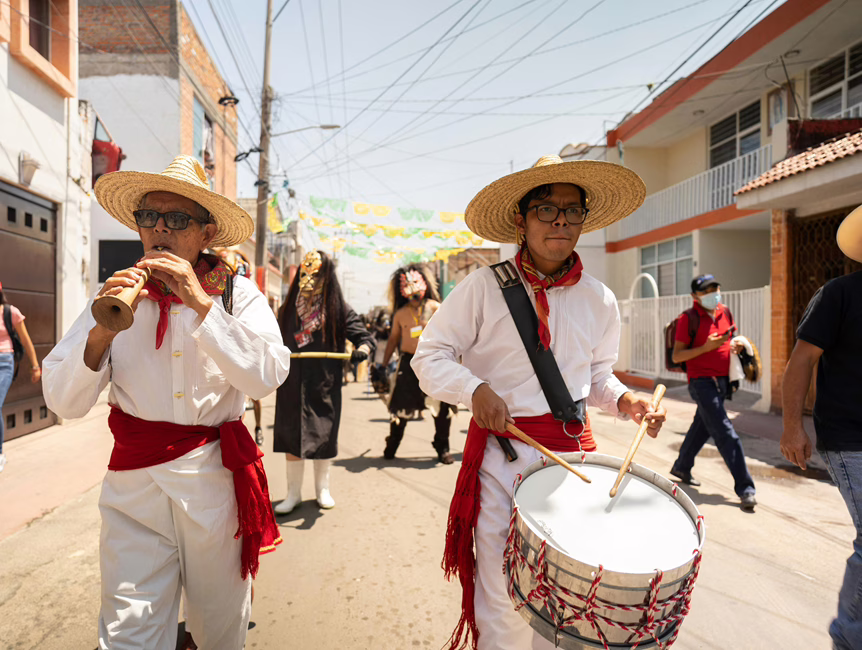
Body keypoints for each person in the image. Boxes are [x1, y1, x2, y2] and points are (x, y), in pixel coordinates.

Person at [411, 155, 666, 650]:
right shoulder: (482, 288)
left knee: (565, 602)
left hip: (572, 462)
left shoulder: (600, 299)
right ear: (520, 220)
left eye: (572, 212)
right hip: (502, 461)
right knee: (505, 600)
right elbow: (429, 357)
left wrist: (625, 400)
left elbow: (595, 376)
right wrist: (474, 390)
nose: (560, 222)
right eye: (546, 210)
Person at [42, 155, 291, 650]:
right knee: (127, 628)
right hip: (134, 487)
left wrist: (200, 302)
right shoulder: (111, 293)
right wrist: (99, 334)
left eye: (177, 220)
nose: (160, 229)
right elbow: (63, 402)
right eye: (148, 218)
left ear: (206, 232)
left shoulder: (237, 296)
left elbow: (267, 376)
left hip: (214, 484)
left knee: (219, 624)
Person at [781, 204, 862, 650]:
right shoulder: (839, 294)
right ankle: (849, 639)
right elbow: (801, 362)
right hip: (850, 439)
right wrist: (793, 427)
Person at [272, 250, 374, 513]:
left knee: (324, 434)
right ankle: (293, 493)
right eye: (306, 274)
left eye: (316, 276)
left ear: (326, 277)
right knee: (291, 433)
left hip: (324, 381)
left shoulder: (337, 308)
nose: (310, 281)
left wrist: (362, 349)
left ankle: (322, 490)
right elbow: (269, 337)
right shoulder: (287, 309)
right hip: (291, 380)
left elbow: (363, 336)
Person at [669, 274, 757, 512]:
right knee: (724, 431)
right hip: (700, 382)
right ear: (694, 296)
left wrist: (736, 344)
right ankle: (746, 488)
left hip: (722, 380)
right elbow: (677, 356)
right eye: (705, 290)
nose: (711, 293)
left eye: (714, 288)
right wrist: (705, 347)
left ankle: (681, 466)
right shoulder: (688, 319)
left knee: (703, 424)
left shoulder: (725, 312)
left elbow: (731, 338)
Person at [380, 264, 455, 464]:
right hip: (408, 363)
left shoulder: (436, 308)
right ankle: (392, 444)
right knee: (400, 409)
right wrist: (382, 364)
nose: (414, 296)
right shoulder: (400, 314)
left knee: (440, 408)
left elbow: (451, 336)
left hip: (435, 363)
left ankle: (443, 447)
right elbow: (393, 340)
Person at [213, 246, 265, 447]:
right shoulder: (219, 258)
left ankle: (258, 427)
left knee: (253, 392)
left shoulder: (243, 282)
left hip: (242, 331)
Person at [0, 281, 42, 471]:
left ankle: (0, 453)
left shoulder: (10, 312)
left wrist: (35, 366)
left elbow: (26, 340)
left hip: (4, 363)